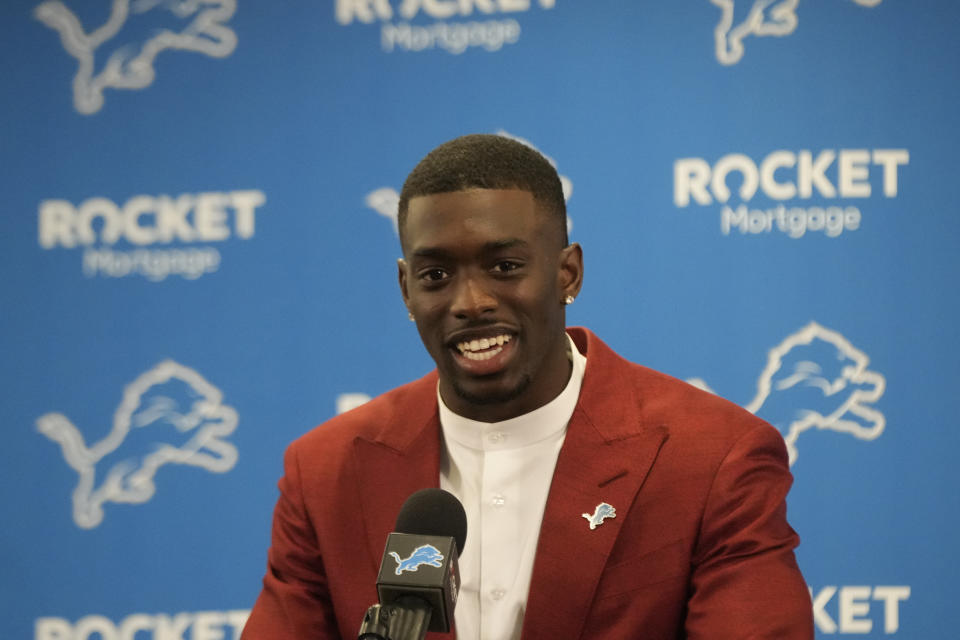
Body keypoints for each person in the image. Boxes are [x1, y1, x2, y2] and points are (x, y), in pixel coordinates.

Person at [242, 134, 814, 639]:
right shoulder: (324, 472)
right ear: (405, 290)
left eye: (505, 266)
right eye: (436, 276)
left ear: (567, 273)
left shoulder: (713, 457)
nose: (470, 303)